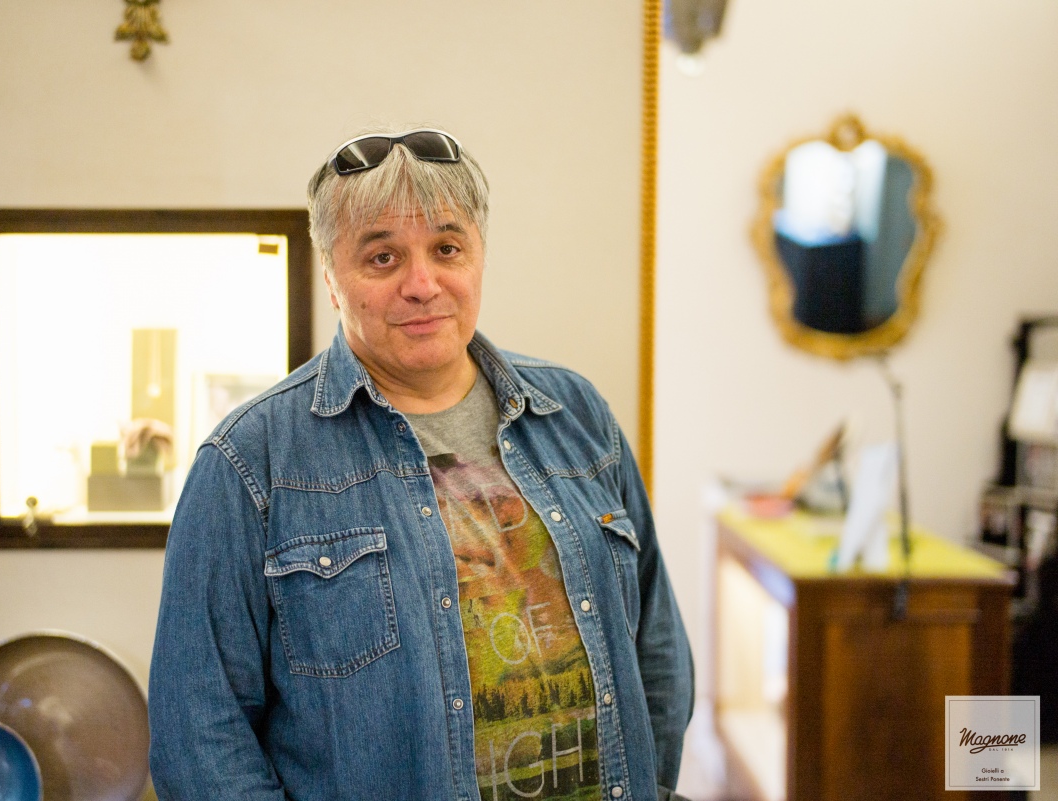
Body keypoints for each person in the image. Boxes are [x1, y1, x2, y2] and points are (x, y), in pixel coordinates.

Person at [149, 127, 694, 801]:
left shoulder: (576, 413)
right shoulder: (249, 462)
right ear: (332, 279)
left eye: (446, 248)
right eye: (382, 258)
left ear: (479, 256)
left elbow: (658, 653)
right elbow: (198, 735)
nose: (422, 284)